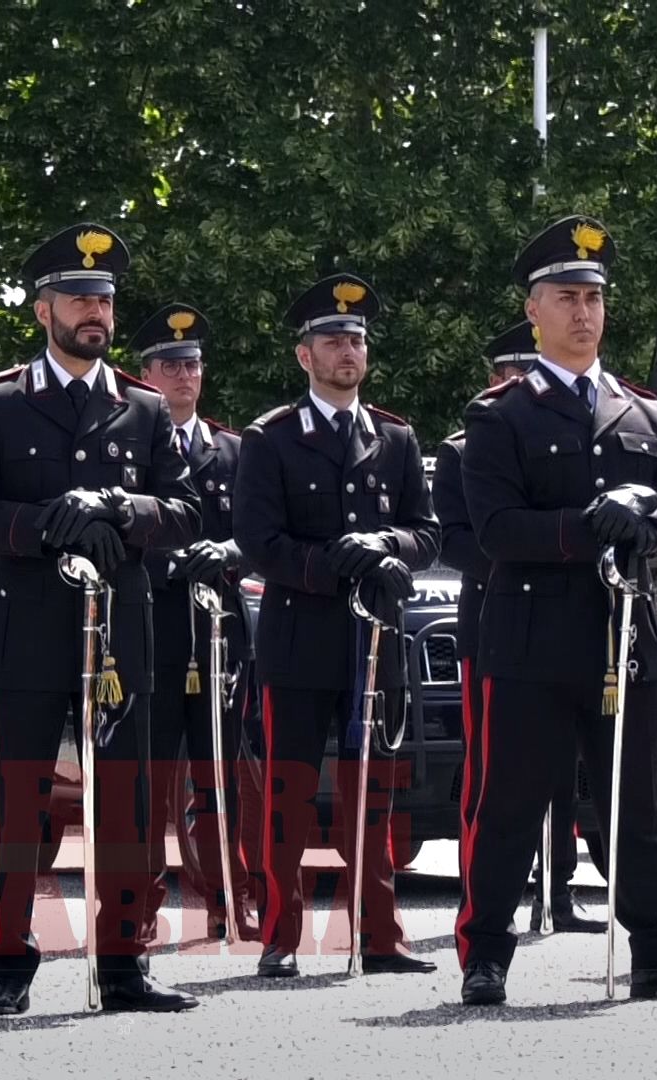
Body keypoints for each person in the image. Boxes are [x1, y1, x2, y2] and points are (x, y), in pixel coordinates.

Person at [455, 216, 657, 1006]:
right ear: (534, 310)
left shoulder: (645, 413)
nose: (583, 314)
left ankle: (656, 953)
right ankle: (486, 956)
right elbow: (497, 530)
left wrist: (649, 504)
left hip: (623, 634)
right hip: (534, 634)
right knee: (509, 802)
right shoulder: (500, 413)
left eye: (594, 299)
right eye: (566, 298)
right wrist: (587, 525)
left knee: (637, 803)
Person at [0, 222, 202, 1015]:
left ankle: (124, 962)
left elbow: (188, 511)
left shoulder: (143, 408)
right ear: (43, 308)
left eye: (106, 301)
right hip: (27, 627)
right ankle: (8, 964)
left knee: (128, 805)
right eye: (79, 298)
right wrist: (49, 520)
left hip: (121, 630)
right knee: (19, 805)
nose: (95, 313)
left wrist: (124, 507)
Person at [232, 273, 440, 979]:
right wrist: (334, 566)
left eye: (355, 340)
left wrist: (389, 549)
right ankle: (281, 936)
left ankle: (380, 936)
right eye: (332, 341)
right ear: (305, 356)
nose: (347, 350)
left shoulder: (394, 436)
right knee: (289, 796)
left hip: (373, 643)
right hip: (299, 636)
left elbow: (427, 531)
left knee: (372, 796)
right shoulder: (272, 438)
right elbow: (260, 539)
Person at [436, 321, 601, 935]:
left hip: (564, 620)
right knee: (494, 777)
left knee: (563, 777)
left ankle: (557, 891)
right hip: (496, 622)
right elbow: (459, 539)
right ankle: (480, 900)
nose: (516, 383)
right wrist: (520, 560)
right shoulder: (464, 448)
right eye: (506, 373)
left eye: (522, 370)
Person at [131, 302, 258, 944]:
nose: (185, 376)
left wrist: (231, 554)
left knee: (220, 770)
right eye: (172, 364)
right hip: (152, 624)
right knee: (148, 777)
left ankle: (228, 896)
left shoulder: (233, 450)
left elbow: (260, 534)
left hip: (217, 631)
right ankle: (143, 904)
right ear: (147, 372)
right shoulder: (127, 441)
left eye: (193, 365)